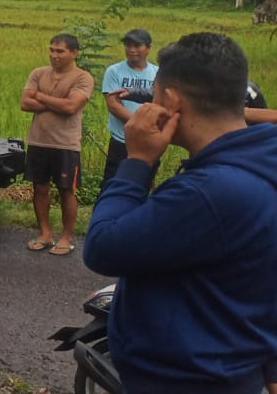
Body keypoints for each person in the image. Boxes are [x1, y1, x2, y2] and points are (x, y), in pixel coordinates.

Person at [83, 33, 277, 394]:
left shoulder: (208, 192)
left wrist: (138, 160)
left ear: (170, 100)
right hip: (233, 368)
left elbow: (103, 246)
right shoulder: (262, 160)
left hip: (187, 379)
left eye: (155, 94)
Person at [20, 33, 93, 257]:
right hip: (38, 140)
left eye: (60, 51)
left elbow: (71, 107)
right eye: (52, 50)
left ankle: (67, 237)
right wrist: (56, 102)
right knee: (40, 188)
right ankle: (45, 234)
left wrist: (41, 97)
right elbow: (24, 103)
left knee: (66, 190)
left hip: (66, 144)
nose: (54, 55)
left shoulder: (83, 78)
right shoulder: (38, 73)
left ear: (74, 53)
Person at [100, 28, 159, 185]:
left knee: (144, 182)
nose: (131, 50)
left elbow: (160, 103)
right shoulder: (114, 71)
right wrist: (139, 125)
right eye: (128, 45)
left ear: (148, 48)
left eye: (137, 46)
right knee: (113, 182)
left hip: (149, 140)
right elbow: (113, 104)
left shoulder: (157, 73)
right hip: (121, 139)